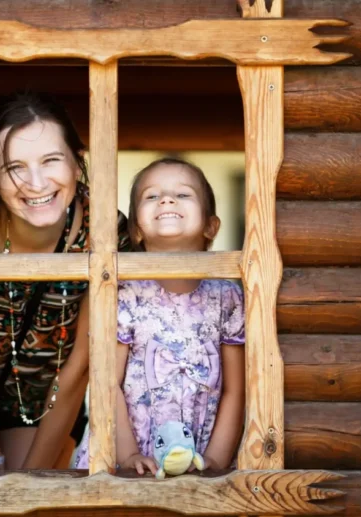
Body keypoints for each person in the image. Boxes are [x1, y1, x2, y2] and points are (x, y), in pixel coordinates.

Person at [0, 91, 131, 470]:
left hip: (50, 407)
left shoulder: (103, 228)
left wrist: (30, 480)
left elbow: (84, 363)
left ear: (78, 163)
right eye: (14, 167)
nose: (36, 183)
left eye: (51, 160)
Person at [75, 157, 245, 474]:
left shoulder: (228, 297)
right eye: (152, 196)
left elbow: (237, 390)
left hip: (202, 456)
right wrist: (126, 457)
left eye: (183, 194)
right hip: (128, 455)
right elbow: (106, 384)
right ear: (137, 230)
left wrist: (216, 461)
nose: (166, 199)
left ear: (211, 226)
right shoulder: (124, 294)